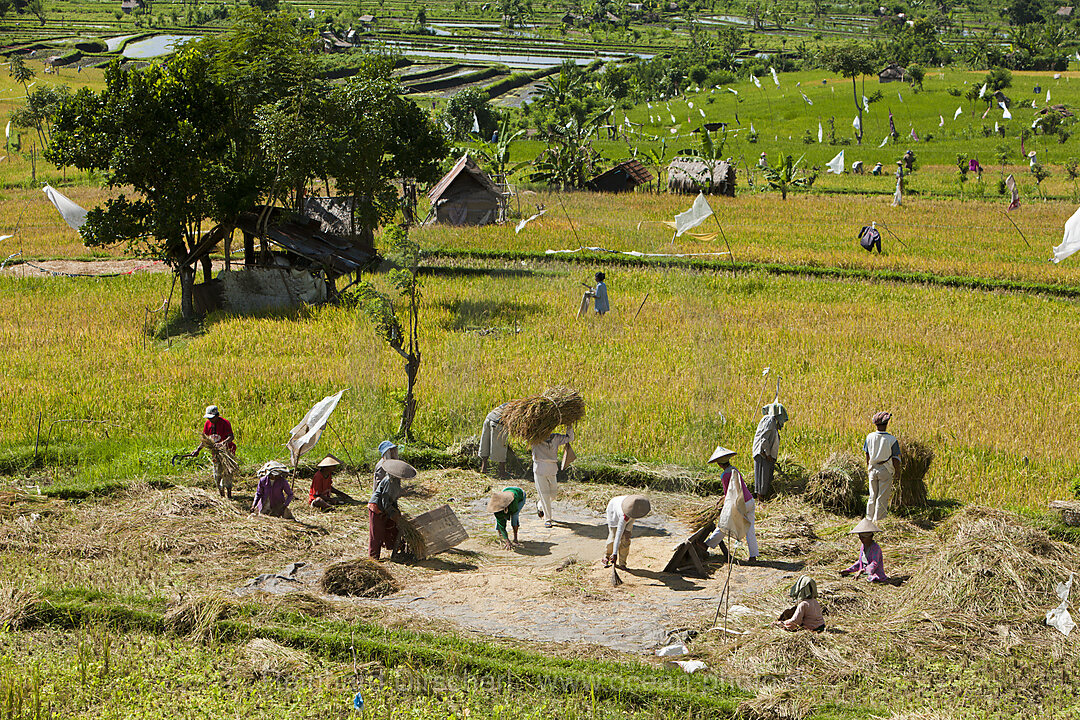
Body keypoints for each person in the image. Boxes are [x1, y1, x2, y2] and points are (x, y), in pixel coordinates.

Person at [702, 446, 758, 562]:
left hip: (741, 503)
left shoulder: (724, 475)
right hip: (750, 501)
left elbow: (730, 495)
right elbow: (736, 489)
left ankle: (706, 545)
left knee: (725, 524)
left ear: (719, 464)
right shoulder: (734, 470)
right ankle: (753, 556)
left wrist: (723, 504)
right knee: (750, 529)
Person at [368, 445, 416, 560]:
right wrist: (392, 514)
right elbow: (384, 502)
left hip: (386, 507)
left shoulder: (395, 481)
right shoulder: (388, 482)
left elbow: (392, 499)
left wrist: (396, 512)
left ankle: (397, 551)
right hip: (376, 507)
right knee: (376, 534)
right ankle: (373, 559)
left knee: (393, 529)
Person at [531, 425, 573, 528]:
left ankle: (540, 505)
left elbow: (570, 438)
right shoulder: (535, 439)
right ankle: (548, 519)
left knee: (553, 495)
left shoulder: (556, 438)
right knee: (545, 495)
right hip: (539, 469)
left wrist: (569, 426)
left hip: (552, 469)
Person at [864, 412, 901, 523]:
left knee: (872, 496)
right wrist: (897, 472)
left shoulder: (869, 437)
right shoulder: (892, 439)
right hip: (885, 469)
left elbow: (867, 454)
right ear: (887, 423)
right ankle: (878, 522)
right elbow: (895, 458)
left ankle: (868, 520)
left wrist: (869, 467)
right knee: (882, 497)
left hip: (872, 468)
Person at [196, 405, 236, 499]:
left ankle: (229, 495)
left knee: (228, 472)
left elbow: (231, 437)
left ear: (217, 415)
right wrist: (197, 450)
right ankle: (221, 495)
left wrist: (222, 443)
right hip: (215, 453)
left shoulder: (225, 423)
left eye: (212, 418)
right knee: (217, 474)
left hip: (227, 451)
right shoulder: (208, 424)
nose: (210, 420)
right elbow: (205, 440)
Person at [603, 494, 651, 569]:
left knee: (626, 539)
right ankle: (607, 557)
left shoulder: (637, 505)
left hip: (628, 517)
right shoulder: (623, 516)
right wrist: (614, 553)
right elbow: (618, 535)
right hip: (613, 512)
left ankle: (622, 563)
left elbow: (631, 522)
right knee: (613, 536)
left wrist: (627, 532)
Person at [752, 402, 788, 499]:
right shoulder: (770, 420)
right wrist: (767, 454)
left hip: (765, 454)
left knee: (765, 477)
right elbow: (764, 439)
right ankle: (760, 501)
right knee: (762, 478)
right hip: (763, 454)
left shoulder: (771, 421)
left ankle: (762, 499)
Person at [840, 517, 889, 582]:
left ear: (870, 537)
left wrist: (863, 571)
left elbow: (874, 563)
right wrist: (848, 570)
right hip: (863, 574)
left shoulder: (875, 548)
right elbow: (860, 562)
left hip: (874, 575)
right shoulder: (863, 546)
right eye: (860, 537)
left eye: (863, 537)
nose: (861, 539)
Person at [478, 403, 509, 477]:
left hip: (488, 418)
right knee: (501, 445)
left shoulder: (511, 404)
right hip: (498, 421)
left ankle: (484, 468)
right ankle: (502, 472)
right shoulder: (521, 410)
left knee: (485, 443)